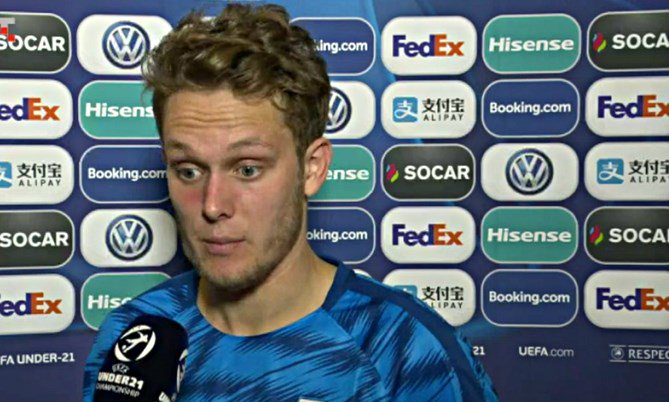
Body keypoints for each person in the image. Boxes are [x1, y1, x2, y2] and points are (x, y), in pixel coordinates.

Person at [83, 4, 498, 401]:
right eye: (189, 170)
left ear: (312, 168)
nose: (212, 205)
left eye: (247, 169)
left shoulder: (406, 350)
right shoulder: (133, 338)